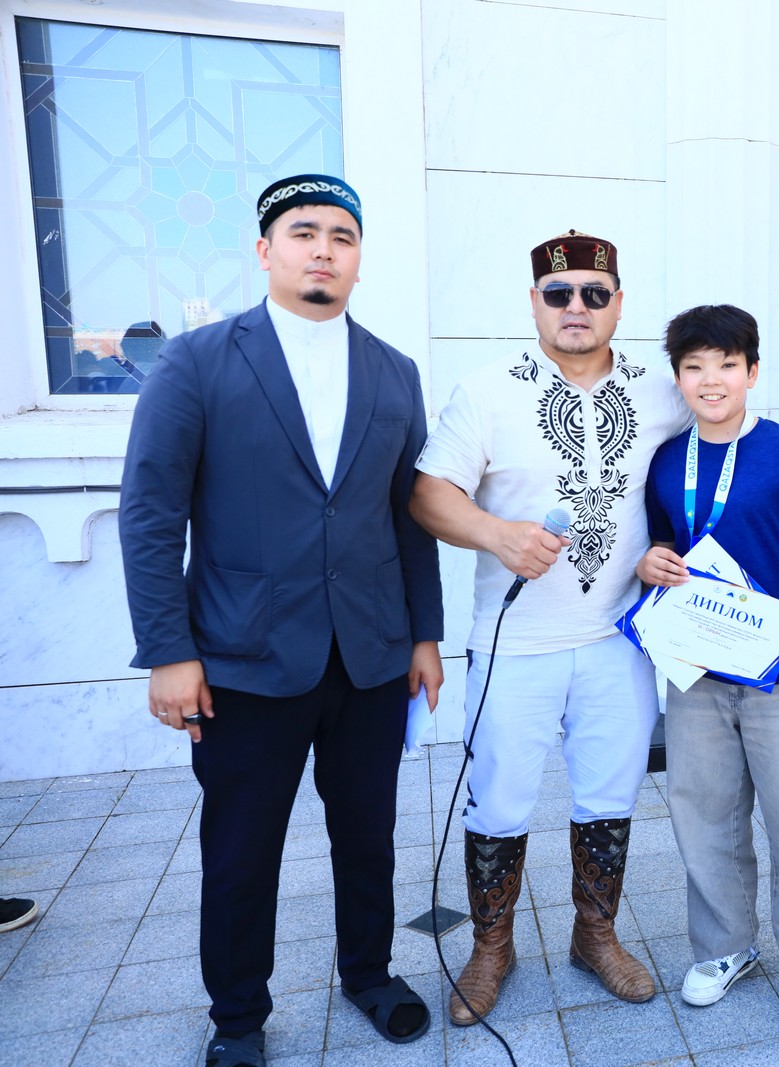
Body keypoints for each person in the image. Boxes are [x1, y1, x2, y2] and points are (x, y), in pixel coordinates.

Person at [409, 232, 779, 1022]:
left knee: (608, 797)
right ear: (534, 302)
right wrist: (496, 534)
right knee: (498, 801)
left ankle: (595, 935)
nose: (576, 306)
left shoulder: (659, 390)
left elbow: (729, 416)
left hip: (622, 640)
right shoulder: (487, 390)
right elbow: (428, 493)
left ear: (618, 304)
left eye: (594, 293)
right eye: (559, 293)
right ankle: (491, 946)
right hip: (517, 643)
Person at [120, 174, 444, 1066]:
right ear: (266, 250)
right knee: (241, 850)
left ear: (358, 257)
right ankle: (238, 1019)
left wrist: (423, 633)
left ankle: (369, 972)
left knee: (367, 835)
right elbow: (151, 514)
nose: (323, 250)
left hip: (370, 654)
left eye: (342, 235)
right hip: (242, 657)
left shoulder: (394, 370)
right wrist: (168, 650)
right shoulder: (197, 361)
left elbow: (407, 513)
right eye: (304, 232)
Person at [635, 304, 779, 1034]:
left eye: (727, 365)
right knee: (705, 816)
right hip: (697, 669)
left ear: (754, 372)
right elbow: (658, 546)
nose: (711, 381)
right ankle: (724, 947)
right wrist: (650, 563)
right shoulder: (665, 460)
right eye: (695, 367)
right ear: (678, 377)